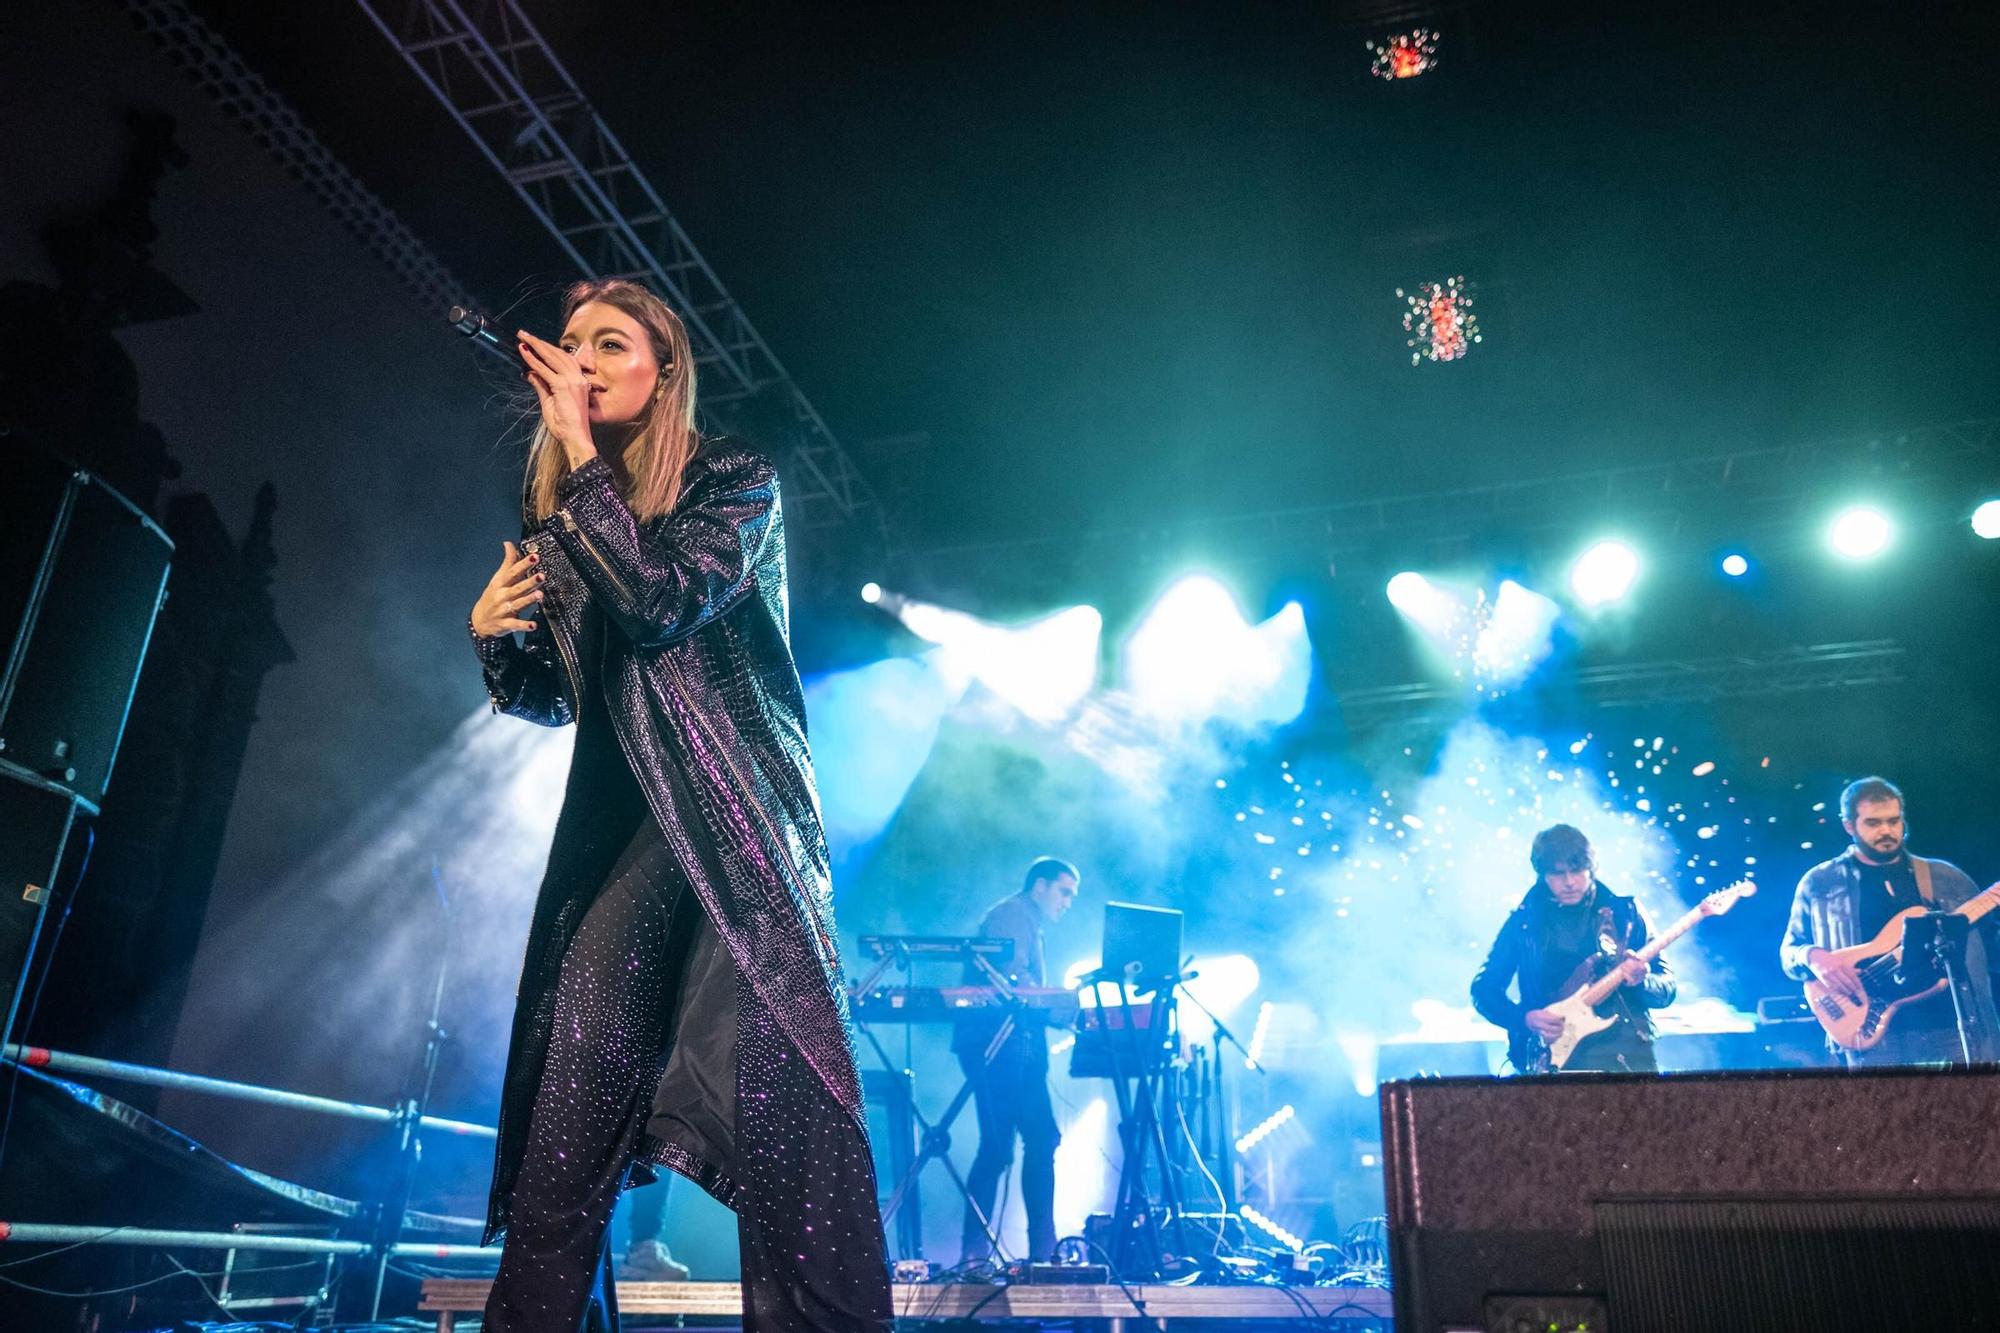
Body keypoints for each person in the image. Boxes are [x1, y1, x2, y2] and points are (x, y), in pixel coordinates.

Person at [468, 278, 891, 1331]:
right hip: (633, 825)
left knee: (782, 1107)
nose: (583, 361)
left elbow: (660, 603)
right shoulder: (568, 510)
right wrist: (494, 635)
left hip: (730, 818)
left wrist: (573, 462)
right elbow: (558, 695)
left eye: (611, 344)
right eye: (571, 344)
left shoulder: (732, 481)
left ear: (664, 374)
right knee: (572, 1091)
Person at [1780, 776, 1998, 1066]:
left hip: (1949, 1028)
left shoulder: (1945, 877)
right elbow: (1789, 951)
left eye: (1894, 821)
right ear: (1849, 826)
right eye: (1873, 823)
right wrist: (1813, 956)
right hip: (1871, 1035)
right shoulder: (1820, 883)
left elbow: (1991, 944)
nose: (1886, 831)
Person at [951, 857, 1079, 1267]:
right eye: (1064, 892)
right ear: (1039, 885)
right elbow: (1012, 980)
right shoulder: (1011, 915)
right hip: (997, 1046)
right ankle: (987, 1252)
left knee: (1034, 1139)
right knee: (1000, 1147)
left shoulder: (1028, 921)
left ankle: (1035, 1247)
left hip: (1018, 1049)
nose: (1068, 903)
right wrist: (1064, 1006)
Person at [1470, 824, 1676, 1073]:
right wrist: (1523, 1019)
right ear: (1542, 875)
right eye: (1557, 874)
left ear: (1591, 868)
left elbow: (1667, 988)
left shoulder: (1626, 914)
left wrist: (1641, 981)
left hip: (1626, 1054)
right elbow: (1484, 989)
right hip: (1554, 1054)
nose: (1569, 882)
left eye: (1577, 870)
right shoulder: (1524, 922)